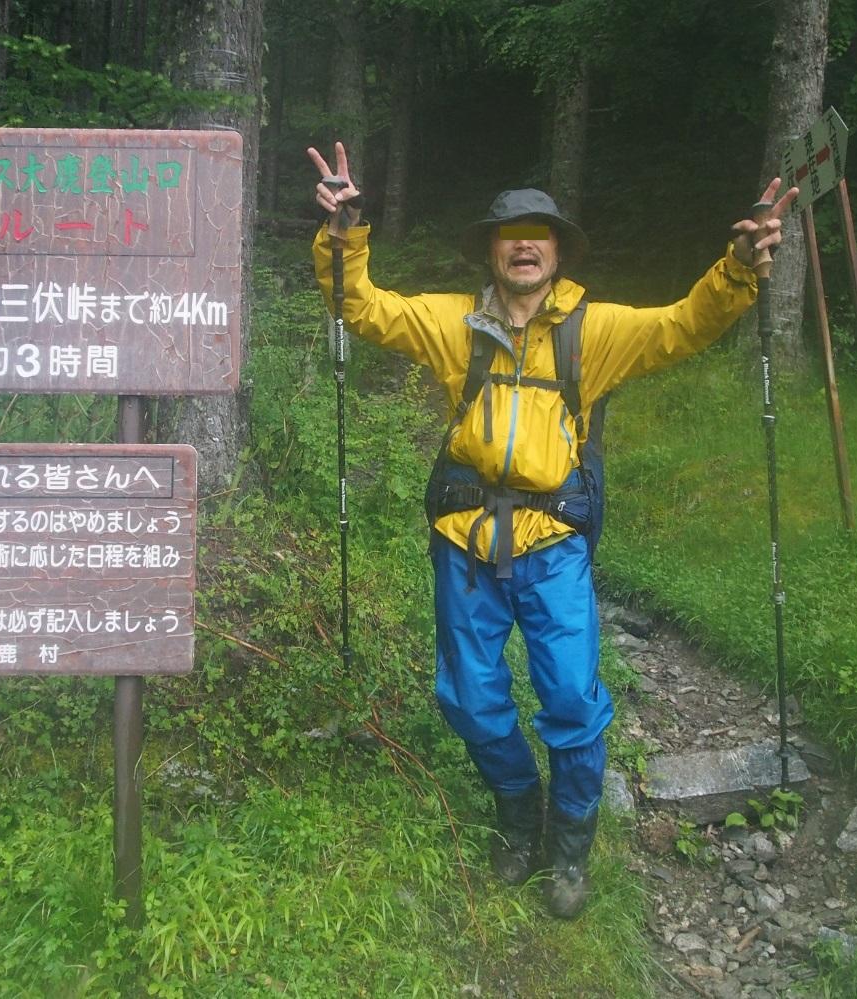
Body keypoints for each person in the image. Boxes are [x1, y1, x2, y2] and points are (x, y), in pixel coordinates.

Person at [307, 141, 795, 919]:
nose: (524, 245)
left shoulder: (590, 331)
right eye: (510, 234)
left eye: (539, 234)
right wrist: (343, 233)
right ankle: (517, 811)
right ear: (491, 251)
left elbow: (683, 324)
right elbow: (361, 305)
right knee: (468, 699)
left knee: (570, 696)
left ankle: (569, 846)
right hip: (465, 539)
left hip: (553, 543)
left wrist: (738, 268)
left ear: (559, 251)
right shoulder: (453, 323)